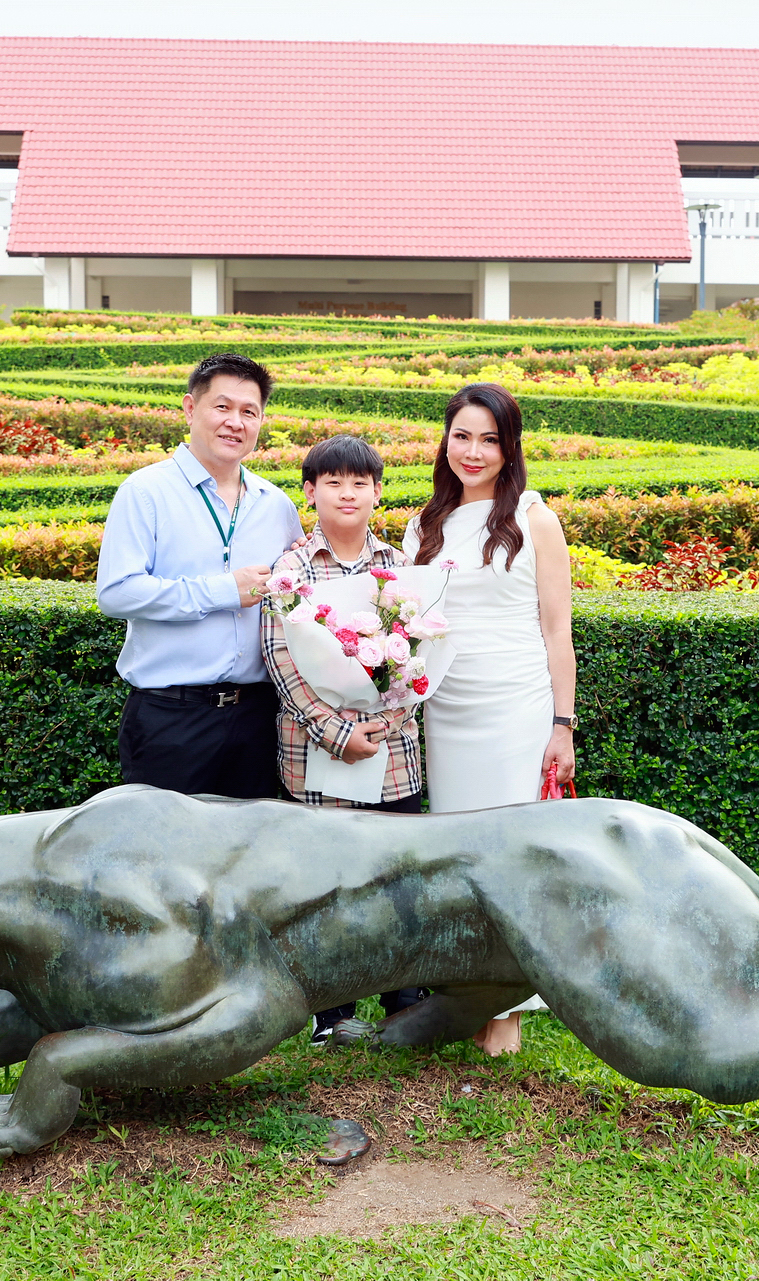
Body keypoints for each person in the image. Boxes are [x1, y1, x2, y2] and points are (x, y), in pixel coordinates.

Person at [404, 382, 578, 1055]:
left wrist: (562, 722)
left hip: (514, 705)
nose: (473, 451)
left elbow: (557, 627)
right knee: (459, 857)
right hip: (447, 711)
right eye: (461, 436)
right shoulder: (422, 525)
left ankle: (508, 1009)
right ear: (445, 441)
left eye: (489, 439)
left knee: (513, 859)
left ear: (510, 449)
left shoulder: (535, 519)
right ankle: (466, 992)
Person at [261, 434, 429, 1045]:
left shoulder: (399, 567)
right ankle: (332, 1012)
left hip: (393, 755)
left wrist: (386, 719)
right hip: (316, 757)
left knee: (398, 876)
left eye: (361, 482)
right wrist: (337, 732)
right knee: (327, 882)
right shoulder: (292, 569)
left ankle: (405, 1002)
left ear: (378, 491)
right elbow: (281, 662)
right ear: (310, 491)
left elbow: (419, 657)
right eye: (333, 482)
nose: (348, 493)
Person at [94, 352, 303, 797]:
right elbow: (116, 593)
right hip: (171, 718)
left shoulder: (276, 505)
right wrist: (223, 591)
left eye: (250, 412)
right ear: (191, 409)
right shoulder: (145, 491)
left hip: (259, 718)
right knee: (162, 856)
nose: (236, 422)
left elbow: (297, 599)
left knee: (249, 855)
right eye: (222, 407)